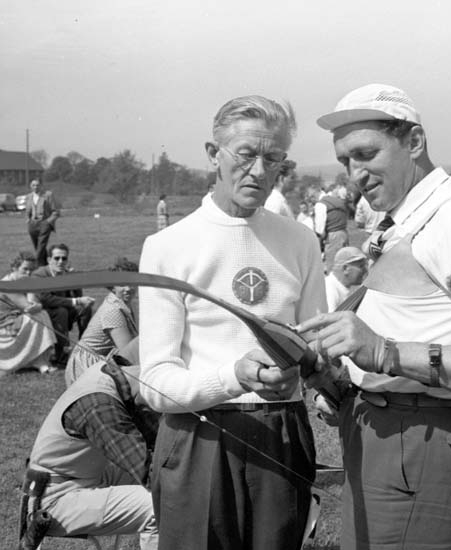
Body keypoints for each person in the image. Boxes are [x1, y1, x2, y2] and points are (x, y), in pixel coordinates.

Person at [296, 83, 451, 550]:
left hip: (419, 442)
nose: (355, 174)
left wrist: (384, 352)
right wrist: (342, 378)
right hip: (383, 434)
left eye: (366, 154)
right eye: (345, 161)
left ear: (414, 141)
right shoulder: (411, 217)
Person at [138, 95, 326, 550]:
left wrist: (308, 372)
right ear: (213, 154)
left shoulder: (301, 241)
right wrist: (234, 377)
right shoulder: (168, 246)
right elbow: (155, 384)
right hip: (197, 437)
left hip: (281, 433)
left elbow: (317, 346)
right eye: (246, 154)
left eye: (274, 158)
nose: (259, 171)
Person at [26, 340, 159, 549]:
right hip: (55, 498)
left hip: (82, 477)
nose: (156, 417)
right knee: (161, 505)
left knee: (168, 482)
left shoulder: (111, 373)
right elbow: (148, 472)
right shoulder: (100, 405)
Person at [65, 257, 138, 387]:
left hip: (104, 360)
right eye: (122, 284)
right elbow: (128, 352)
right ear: (113, 287)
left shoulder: (125, 304)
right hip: (88, 365)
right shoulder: (113, 310)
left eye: (132, 283)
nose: (128, 288)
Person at [33, 244, 95, 367]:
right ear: (49, 259)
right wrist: (77, 301)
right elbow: (46, 299)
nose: (61, 261)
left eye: (64, 258)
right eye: (57, 258)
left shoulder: (65, 273)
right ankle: (61, 355)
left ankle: (85, 348)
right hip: (42, 314)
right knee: (61, 311)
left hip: (63, 311)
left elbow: (77, 295)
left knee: (85, 308)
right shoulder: (39, 275)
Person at [0, 251, 57, 376]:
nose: (28, 273)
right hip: (4, 326)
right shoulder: (7, 285)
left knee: (40, 314)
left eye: (31, 270)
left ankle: (41, 359)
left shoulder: (21, 282)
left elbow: (32, 305)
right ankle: (40, 361)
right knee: (38, 316)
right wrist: (36, 303)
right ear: (14, 268)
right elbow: (29, 306)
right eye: (25, 269)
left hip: (13, 319)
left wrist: (34, 301)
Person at [314, 180, 350, 271]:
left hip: (332, 237)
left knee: (333, 267)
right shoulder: (338, 201)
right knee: (344, 264)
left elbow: (320, 230)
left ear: (317, 192)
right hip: (344, 234)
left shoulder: (321, 204)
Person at [25, 179, 60, 266]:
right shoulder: (29, 196)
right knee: (37, 246)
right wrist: (28, 220)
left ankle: (36, 264)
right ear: (30, 186)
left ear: (41, 186)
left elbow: (56, 211)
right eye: (33, 185)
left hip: (44, 223)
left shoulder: (48, 195)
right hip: (32, 224)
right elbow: (27, 211)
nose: (35, 187)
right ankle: (46, 265)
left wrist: (48, 222)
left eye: (37, 185)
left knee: (41, 246)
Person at [325, 246, 367, 312]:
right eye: (361, 266)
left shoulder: (344, 287)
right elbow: (329, 318)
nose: (365, 270)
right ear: (345, 269)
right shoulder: (329, 290)